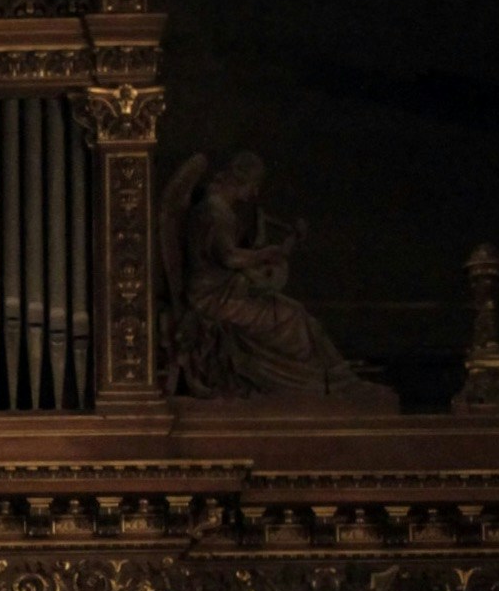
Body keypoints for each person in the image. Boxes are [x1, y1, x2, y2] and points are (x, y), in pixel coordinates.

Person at [159, 150, 395, 405]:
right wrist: (266, 254)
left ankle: (336, 380)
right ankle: (326, 384)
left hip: (230, 292)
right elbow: (229, 258)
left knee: (296, 314)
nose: (255, 192)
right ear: (240, 180)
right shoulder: (214, 213)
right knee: (292, 318)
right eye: (254, 184)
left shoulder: (218, 210)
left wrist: (269, 256)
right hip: (215, 300)